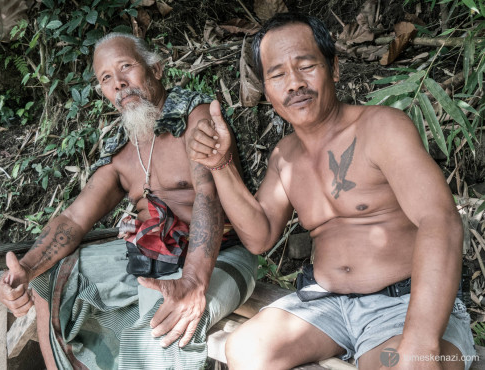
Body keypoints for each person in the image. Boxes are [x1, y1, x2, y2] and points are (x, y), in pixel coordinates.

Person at [187, 13, 475, 370]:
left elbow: (441, 221)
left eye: (306, 66)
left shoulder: (381, 128)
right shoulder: (284, 156)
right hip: (325, 304)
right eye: (277, 75)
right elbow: (259, 237)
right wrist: (220, 166)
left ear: (334, 69)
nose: (293, 84)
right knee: (245, 350)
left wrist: (421, 338)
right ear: (267, 92)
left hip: (405, 302)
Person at [0, 32, 257, 369]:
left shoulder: (196, 117)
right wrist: (25, 270)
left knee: (167, 328)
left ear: (156, 69)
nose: (118, 84)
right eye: (106, 79)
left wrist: (192, 283)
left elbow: (209, 197)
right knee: (48, 279)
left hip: (221, 255)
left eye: (126, 68)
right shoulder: (120, 149)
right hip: (154, 256)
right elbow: (75, 218)